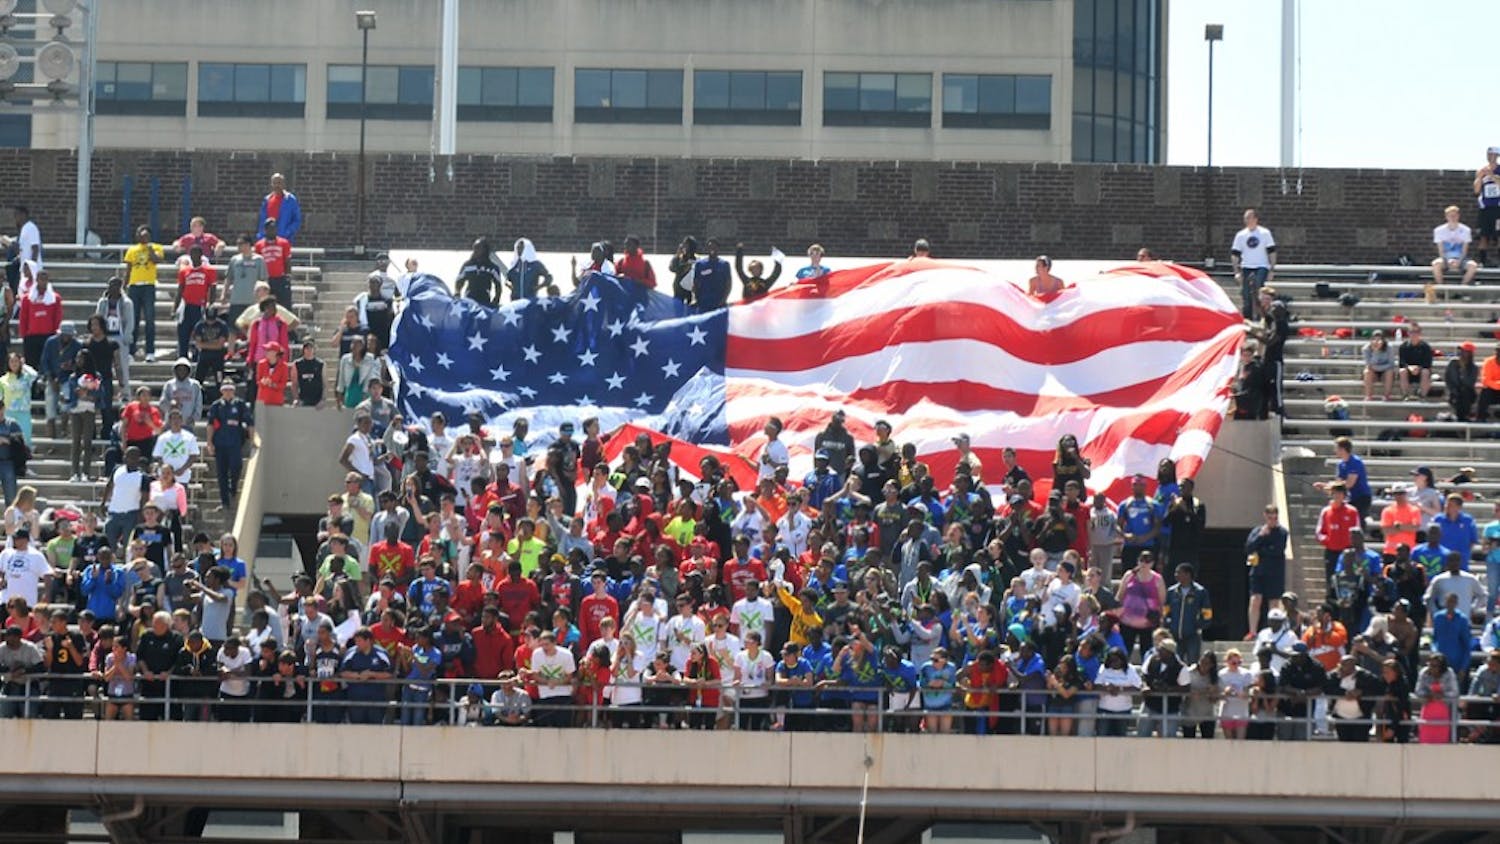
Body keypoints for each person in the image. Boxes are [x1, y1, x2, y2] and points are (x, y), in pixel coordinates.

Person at [205, 382, 255, 511]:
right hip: (220, 443)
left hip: (235, 443)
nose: (228, 392)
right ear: (221, 391)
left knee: (236, 467)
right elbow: (210, 424)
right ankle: (224, 502)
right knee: (221, 473)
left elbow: (249, 422)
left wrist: (252, 440)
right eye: (225, 390)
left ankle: (233, 488)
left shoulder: (240, 404)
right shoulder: (216, 406)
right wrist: (209, 442)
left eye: (230, 390)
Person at [121, 226, 164, 362]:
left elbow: (157, 260)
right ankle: (131, 351)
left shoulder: (156, 247)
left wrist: (149, 248)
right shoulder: (132, 250)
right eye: (141, 235)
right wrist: (123, 287)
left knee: (150, 320)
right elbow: (128, 270)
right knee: (134, 320)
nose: (143, 237)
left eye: (146, 235)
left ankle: (150, 351)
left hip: (148, 286)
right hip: (134, 286)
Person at [1244, 504, 1288, 636]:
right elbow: (1249, 547)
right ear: (1265, 517)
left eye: (1274, 518)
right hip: (1258, 571)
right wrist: (1261, 537)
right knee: (1255, 599)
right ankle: (1252, 631)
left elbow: (1277, 550)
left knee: (1274, 602)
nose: (1272, 521)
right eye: (1270, 518)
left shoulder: (1282, 532)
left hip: (1275, 571)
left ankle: (1273, 631)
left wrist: (1262, 549)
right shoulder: (1258, 531)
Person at [1230, 208, 1276, 319]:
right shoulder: (1240, 235)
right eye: (1245, 218)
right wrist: (1236, 272)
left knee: (1259, 291)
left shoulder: (1265, 233)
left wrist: (1272, 269)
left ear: (1256, 219)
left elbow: (1272, 251)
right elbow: (1235, 254)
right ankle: (1247, 320)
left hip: (1261, 266)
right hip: (1246, 267)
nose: (1247, 220)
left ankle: (1261, 318)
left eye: (1249, 218)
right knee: (1246, 294)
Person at [1163, 563, 1212, 662]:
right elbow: (1166, 611)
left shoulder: (1200, 592)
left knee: (1193, 662)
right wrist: (1168, 623)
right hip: (1175, 634)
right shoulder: (1171, 591)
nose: (1175, 575)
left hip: (1192, 635)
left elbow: (1207, 613)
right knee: (1175, 662)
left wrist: (1199, 625)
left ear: (1187, 574)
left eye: (1179, 572)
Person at [173, 245, 216, 360]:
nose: (194, 256)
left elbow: (212, 289)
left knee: (198, 333)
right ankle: (182, 357)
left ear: (201, 255)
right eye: (192, 253)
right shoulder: (184, 271)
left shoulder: (209, 271)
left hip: (200, 306)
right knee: (183, 333)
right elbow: (180, 289)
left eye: (197, 253)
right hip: (186, 306)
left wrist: (210, 304)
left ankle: (197, 357)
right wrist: (175, 308)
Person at [95, 277, 134, 393]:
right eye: (111, 285)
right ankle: (101, 392)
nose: (114, 288)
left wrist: (126, 338)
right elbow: (98, 318)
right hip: (105, 337)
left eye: (117, 286)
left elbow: (130, 321)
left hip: (120, 337)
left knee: (122, 367)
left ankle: (125, 393)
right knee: (102, 367)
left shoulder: (127, 303)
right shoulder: (102, 302)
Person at [17, 269, 60, 371]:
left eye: (45, 279)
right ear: (36, 280)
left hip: (48, 336)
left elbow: (57, 318)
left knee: (48, 364)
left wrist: (55, 336)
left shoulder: (55, 298)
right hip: (31, 337)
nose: (43, 282)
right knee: (31, 366)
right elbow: (23, 317)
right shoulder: (27, 298)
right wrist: (24, 335)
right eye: (41, 279)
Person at [1432, 204, 1480, 287]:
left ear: (1458, 216)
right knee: (1435, 264)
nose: (1452, 218)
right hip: (1445, 259)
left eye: (1454, 215)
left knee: (1473, 265)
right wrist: (1448, 260)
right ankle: (1441, 288)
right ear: (1446, 217)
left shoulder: (1466, 230)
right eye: (1450, 216)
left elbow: (1464, 250)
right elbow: (1441, 250)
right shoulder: (1438, 230)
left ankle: (1462, 287)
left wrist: (1459, 261)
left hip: (1461, 258)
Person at [255, 218, 294, 311]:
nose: (272, 230)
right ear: (265, 230)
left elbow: (287, 260)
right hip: (265, 279)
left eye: (274, 228)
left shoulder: (284, 243)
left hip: (280, 279)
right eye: (269, 228)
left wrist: (287, 276)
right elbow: (257, 263)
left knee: (284, 305)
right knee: (265, 305)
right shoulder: (259, 245)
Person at [222, 234, 266, 312]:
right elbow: (228, 279)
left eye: (240, 244)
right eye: (237, 244)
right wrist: (224, 294)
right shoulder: (234, 259)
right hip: (236, 300)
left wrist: (262, 298)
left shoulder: (259, 260)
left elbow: (263, 280)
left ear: (248, 244)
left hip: (253, 301)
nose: (238, 246)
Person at [690, 238, 731, 313]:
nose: (712, 249)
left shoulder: (724, 264)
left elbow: (728, 284)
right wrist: (695, 299)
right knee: (703, 323)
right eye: (710, 247)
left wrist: (723, 300)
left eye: (714, 247)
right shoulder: (700, 264)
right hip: (703, 302)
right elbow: (695, 283)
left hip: (718, 302)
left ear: (718, 248)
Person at [1474, 146, 1500, 266]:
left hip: (1498, 208)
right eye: (1489, 155)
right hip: (1485, 208)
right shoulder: (1482, 171)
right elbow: (1476, 191)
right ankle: (1482, 262)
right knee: (1483, 236)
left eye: (1493, 155)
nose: (1490, 157)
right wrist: (1479, 177)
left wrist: (1492, 176)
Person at [1396, 323, 1433, 402]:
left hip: (1421, 373)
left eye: (1416, 332)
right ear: (1408, 333)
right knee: (1402, 371)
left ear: (1420, 333)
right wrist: (1409, 367)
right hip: (1408, 372)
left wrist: (1418, 368)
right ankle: (1406, 395)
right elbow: (1401, 362)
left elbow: (1428, 363)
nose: (1414, 334)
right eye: (1412, 331)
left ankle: (1423, 396)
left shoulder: (1426, 347)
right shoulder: (1403, 346)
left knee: (1426, 371)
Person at [1447, 341, 1479, 422]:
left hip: (1468, 394)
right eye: (1461, 350)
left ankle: (1462, 418)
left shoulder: (1474, 368)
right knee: (1458, 394)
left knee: (1465, 392)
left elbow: (1469, 383)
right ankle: (1462, 419)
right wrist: (1454, 390)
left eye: (1464, 351)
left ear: (1469, 353)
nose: (1460, 352)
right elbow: (1449, 380)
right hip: (1455, 392)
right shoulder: (1453, 363)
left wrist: (1463, 370)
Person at [1362, 329, 1396, 402]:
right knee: (1367, 372)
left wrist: (1378, 367)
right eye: (1374, 339)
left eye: (1379, 339)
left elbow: (1391, 364)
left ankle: (1386, 396)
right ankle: (1368, 396)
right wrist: (1376, 352)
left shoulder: (1389, 347)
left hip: (1386, 372)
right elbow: (1369, 365)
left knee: (1390, 372)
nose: (1376, 342)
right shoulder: (1366, 349)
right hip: (1373, 373)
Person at [293, 340, 325, 408]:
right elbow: (294, 383)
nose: (309, 350)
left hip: (317, 401)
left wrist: (322, 400)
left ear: (314, 350)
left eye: (311, 348)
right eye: (307, 348)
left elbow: (324, 384)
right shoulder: (297, 364)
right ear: (303, 350)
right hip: (303, 399)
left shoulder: (321, 364)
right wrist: (296, 399)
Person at [1479, 342, 1500, 422]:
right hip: (1491, 392)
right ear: (1495, 351)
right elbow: (1485, 380)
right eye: (1498, 350)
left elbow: (1489, 381)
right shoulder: (1488, 362)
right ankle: (1481, 418)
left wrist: (1494, 383)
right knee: (1485, 391)